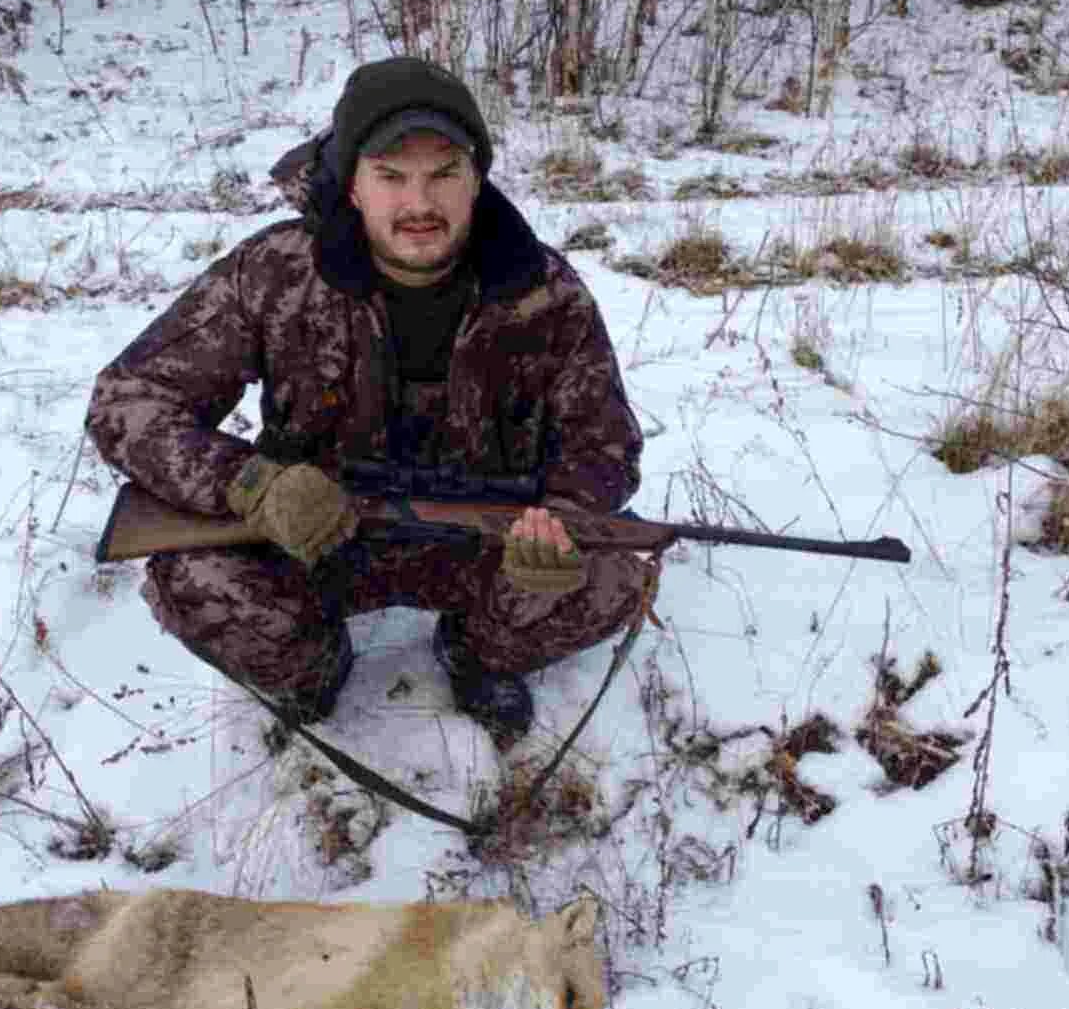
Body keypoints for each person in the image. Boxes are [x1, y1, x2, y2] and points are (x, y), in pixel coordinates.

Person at [85, 56, 649, 747]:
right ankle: (312, 671)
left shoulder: (546, 292)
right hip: (314, 536)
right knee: (195, 580)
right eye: (391, 176)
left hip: (483, 546)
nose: (419, 204)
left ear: (478, 178)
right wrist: (254, 485)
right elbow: (128, 400)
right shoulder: (276, 270)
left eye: (444, 173)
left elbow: (606, 447)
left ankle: (478, 654)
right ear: (351, 183)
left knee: (614, 575)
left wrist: (557, 527)